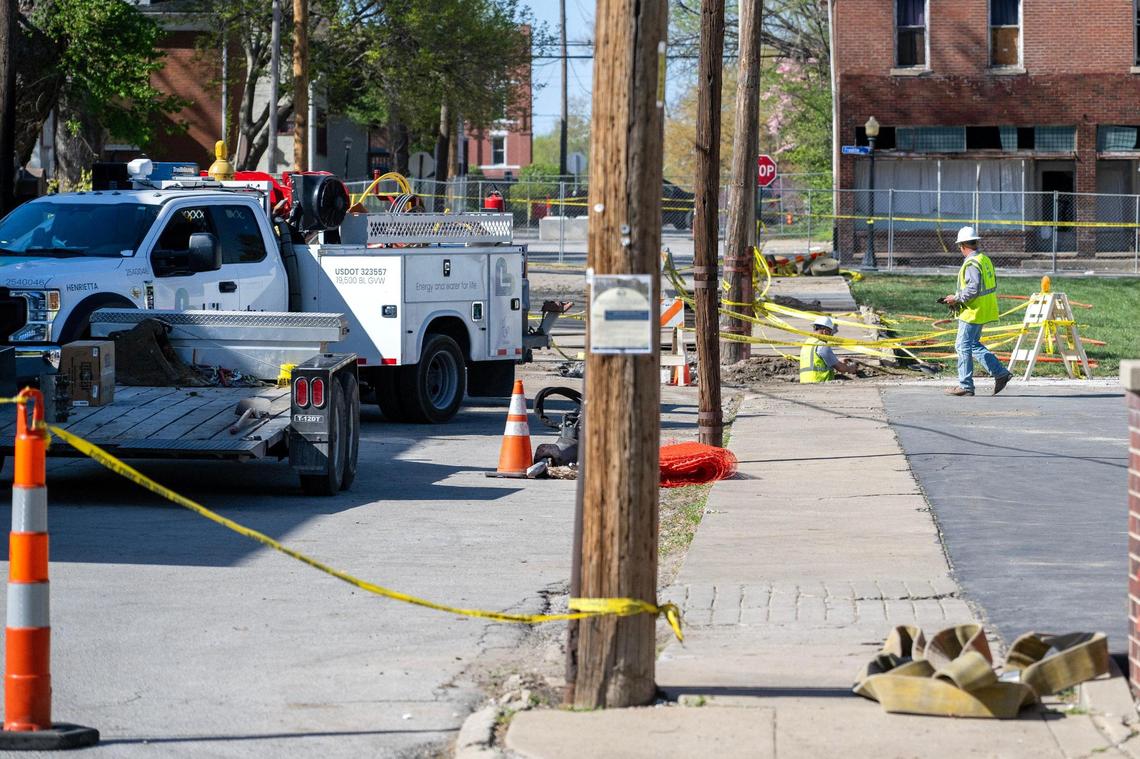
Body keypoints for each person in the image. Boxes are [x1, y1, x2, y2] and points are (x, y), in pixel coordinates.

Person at [941, 226, 1013, 397]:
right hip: (983, 310)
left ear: (963, 245)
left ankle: (965, 385)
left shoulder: (972, 263)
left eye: (960, 246)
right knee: (972, 344)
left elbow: (972, 289)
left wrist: (956, 298)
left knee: (962, 345)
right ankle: (1000, 373)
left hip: (972, 311)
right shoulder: (984, 260)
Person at [799, 316, 859, 383]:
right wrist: (850, 368)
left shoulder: (807, 344)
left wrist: (837, 360)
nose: (831, 337)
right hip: (819, 383)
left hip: (805, 382)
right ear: (825, 332)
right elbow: (840, 368)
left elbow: (817, 361)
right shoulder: (822, 345)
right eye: (831, 334)